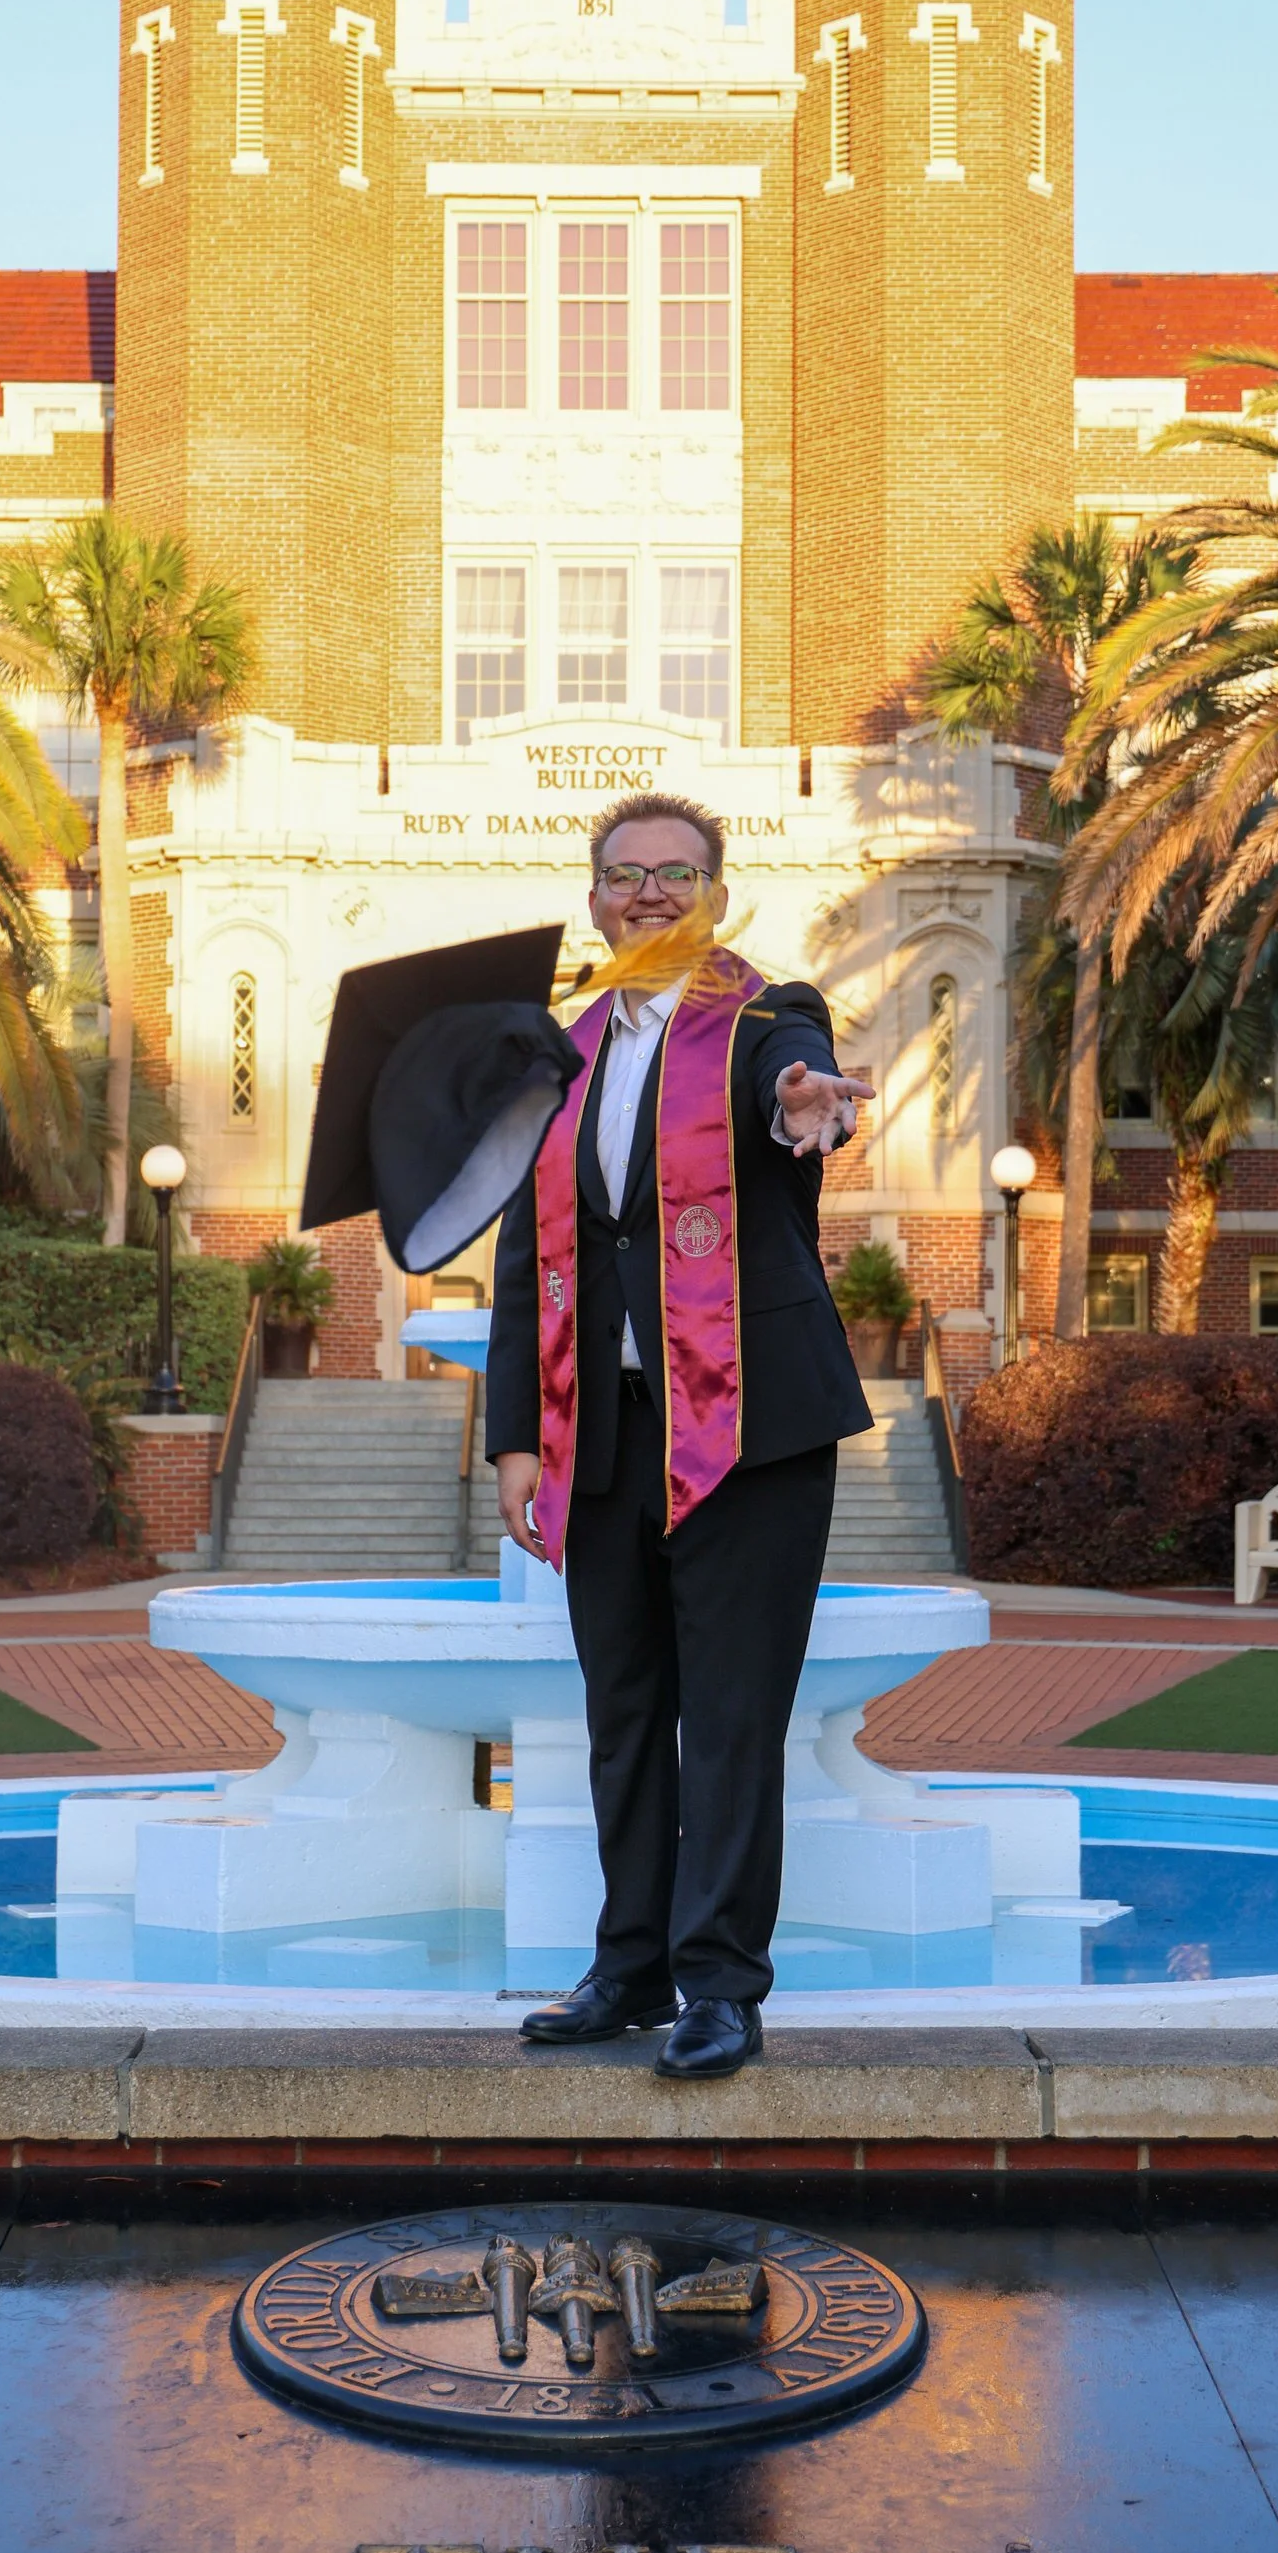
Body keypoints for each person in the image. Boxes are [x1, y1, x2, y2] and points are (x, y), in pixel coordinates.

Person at [486, 791, 875, 2079]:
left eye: (675, 871)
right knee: (624, 1710)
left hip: (753, 1425)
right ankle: (629, 1968)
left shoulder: (769, 1018)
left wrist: (806, 1104)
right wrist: (516, 1436)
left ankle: (721, 1986)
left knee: (731, 1716)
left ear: (717, 890)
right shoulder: (560, 1051)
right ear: (594, 896)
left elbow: (793, 1084)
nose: (649, 890)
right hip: (601, 1428)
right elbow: (526, 1252)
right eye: (624, 872)